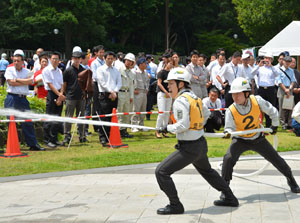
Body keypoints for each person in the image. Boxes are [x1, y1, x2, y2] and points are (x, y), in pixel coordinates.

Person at [155, 67, 239, 215]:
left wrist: (166, 128)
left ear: (181, 84)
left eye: (171, 83)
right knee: (208, 171)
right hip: (200, 144)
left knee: (161, 172)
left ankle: (175, 205)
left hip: (189, 148)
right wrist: (197, 127)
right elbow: (206, 114)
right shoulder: (194, 97)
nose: (168, 86)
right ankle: (230, 197)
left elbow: (183, 125)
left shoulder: (180, 101)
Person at [216, 77, 300, 202]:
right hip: (240, 140)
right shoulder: (231, 110)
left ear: (246, 93)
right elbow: (228, 127)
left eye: (238, 94)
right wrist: (228, 132)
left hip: (258, 138)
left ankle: (291, 180)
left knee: (276, 159)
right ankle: (225, 191)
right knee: (228, 158)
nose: (235, 97)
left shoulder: (257, 101)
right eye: (233, 94)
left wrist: (274, 125)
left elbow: (273, 111)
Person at [4, 49, 45, 151]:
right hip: (12, 98)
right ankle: (11, 144)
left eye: (18, 61)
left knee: (27, 121)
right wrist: (23, 82)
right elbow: (11, 83)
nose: (16, 62)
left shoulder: (27, 71)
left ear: (23, 62)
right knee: (11, 122)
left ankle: (32, 144)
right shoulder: (9, 70)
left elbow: (31, 82)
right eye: (14, 60)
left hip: (23, 99)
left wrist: (17, 80)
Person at [96, 51, 122, 145]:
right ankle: (103, 137)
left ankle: (110, 136)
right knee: (104, 117)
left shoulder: (116, 70)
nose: (110, 60)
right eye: (108, 58)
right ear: (104, 58)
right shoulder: (100, 69)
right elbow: (102, 83)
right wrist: (110, 91)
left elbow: (119, 83)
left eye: (112, 58)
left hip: (114, 95)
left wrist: (114, 91)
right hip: (104, 95)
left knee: (112, 117)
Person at [62, 50, 87, 144]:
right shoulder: (68, 70)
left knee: (81, 116)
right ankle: (67, 135)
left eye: (78, 58)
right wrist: (66, 94)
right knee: (68, 117)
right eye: (74, 58)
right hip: (70, 97)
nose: (76, 60)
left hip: (81, 97)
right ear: (72, 59)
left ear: (81, 59)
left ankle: (82, 135)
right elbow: (64, 84)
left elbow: (85, 83)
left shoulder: (84, 70)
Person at [42, 52, 65, 148]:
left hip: (59, 94)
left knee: (57, 117)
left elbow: (62, 84)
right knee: (50, 117)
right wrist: (59, 94)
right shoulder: (46, 70)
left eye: (57, 59)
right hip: (52, 94)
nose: (55, 61)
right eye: (53, 59)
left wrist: (61, 95)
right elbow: (50, 85)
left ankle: (54, 139)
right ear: (50, 59)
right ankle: (47, 139)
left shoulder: (59, 71)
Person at [251, 52, 280, 127]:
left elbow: (277, 74)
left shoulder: (274, 68)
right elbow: (252, 73)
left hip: (271, 89)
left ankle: (269, 125)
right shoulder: (260, 68)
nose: (267, 60)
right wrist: (258, 65)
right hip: (261, 89)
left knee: (270, 107)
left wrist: (271, 66)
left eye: (269, 59)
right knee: (259, 107)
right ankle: (258, 124)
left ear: (272, 60)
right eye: (266, 58)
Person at [117, 53, 135, 138]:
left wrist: (131, 96)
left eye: (131, 61)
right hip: (120, 92)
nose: (129, 63)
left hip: (127, 93)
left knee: (126, 112)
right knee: (119, 112)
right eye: (128, 61)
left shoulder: (132, 73)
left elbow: (132, 85)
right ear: (125, 60)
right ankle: (118, 130)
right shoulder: (119, 69)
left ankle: (124, 130)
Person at [277, 56, 296, 130]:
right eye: (286, 61)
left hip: (289, 89)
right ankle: (283, 123)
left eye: (289, 62)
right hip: (282, 89)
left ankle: (290, 123)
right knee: (282, 107)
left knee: (291, 107)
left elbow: (293, 81)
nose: (287, 63)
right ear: (283, 61)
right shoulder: (278, 70)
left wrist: (290, 89)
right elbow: (279, 81)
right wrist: (285, 89)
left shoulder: (291, 71)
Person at [155, 58, 173, 138]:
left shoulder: (172, 73)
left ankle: (164, 130)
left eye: (172, 64)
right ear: (166, 63)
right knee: (161, 113)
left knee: (167, 113)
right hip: (162, 94)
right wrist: (165, 92)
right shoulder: (161, 72)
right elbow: (159, 83)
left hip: (169, 95)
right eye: (170, 63)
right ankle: (157, 130)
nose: (171, 65)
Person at [131, 57, 150, 132]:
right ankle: (133, 125)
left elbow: (147, 81)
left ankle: (141, 125)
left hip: (144, 92)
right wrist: (134, 89)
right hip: (137, 92)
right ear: (140, 64)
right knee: (136, 109)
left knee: (143, 109)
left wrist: (147, 89)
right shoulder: (135, 72)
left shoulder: (145, 72)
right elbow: (132, 82)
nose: (146, 65)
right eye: (145, 63)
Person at [90, 45, 105, 133]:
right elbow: (95, 75)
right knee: (96, 105)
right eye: (100, 52)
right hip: (97, 84)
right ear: (96, 53)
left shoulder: (104, 62)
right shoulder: (94, 63)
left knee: (103, 105)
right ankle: (96, 126)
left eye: (103, 52)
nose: (102, 54)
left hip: (104, 85)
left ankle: (102, 124)